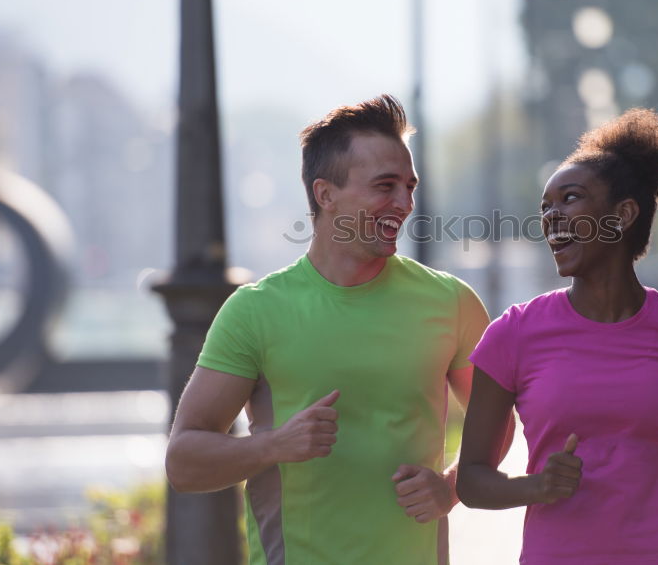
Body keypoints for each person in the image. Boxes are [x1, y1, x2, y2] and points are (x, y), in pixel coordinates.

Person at [166, 95, 507, 565]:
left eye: (409, 186)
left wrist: (451, 487)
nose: (405, 204)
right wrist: (275, 445)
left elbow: (499, 419)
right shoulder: (256, 311)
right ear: (325, 194)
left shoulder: (451, 302)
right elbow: (183, 462)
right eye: (385, 186)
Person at [456, 109, 658, 564]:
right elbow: (470, 479)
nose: (552, 216)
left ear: (623, 215)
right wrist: (535, 486)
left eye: (569, 198)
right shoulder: (513, 334)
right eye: (545, 207)